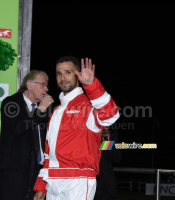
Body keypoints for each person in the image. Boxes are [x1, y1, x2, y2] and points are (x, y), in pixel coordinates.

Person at [33, 56, 120, 200]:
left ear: (78, 74)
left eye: (68, 72)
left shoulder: (89, 105)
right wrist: (41, 185)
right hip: (53, 183)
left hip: (78, 182)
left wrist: (92, 85)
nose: (63, 77)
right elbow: (49, 154)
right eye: (59, 73)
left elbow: (110, 115)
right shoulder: (56, 111)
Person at [0, 70, 54, 200]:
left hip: (37, 172)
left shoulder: (47, 108)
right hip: (14, 175)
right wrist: (40, 110)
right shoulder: (11, 103)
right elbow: (18, 128)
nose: (46, 89)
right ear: (30, 85)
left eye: (47, 85)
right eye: (42, 84)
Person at [94, 127, 121, 200]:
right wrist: (97, 137)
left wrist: (107, 141)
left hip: (107, 185)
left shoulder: (110, 133)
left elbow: (116, 158)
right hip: (90, 184)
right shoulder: (89, 132)